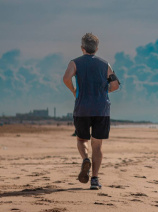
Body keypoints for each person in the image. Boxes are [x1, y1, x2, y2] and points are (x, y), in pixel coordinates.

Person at [63, 33, 120, 190]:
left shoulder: (75, 63)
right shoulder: (105, 64)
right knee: (97, 144)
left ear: (82, 48)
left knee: (82, 140)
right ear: (96, 48)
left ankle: (85, 159)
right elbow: (115, 85)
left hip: (82, 108)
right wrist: (104, 90)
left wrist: (74, 91)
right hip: (101, 109)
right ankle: (94, 179)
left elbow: (66, 78)